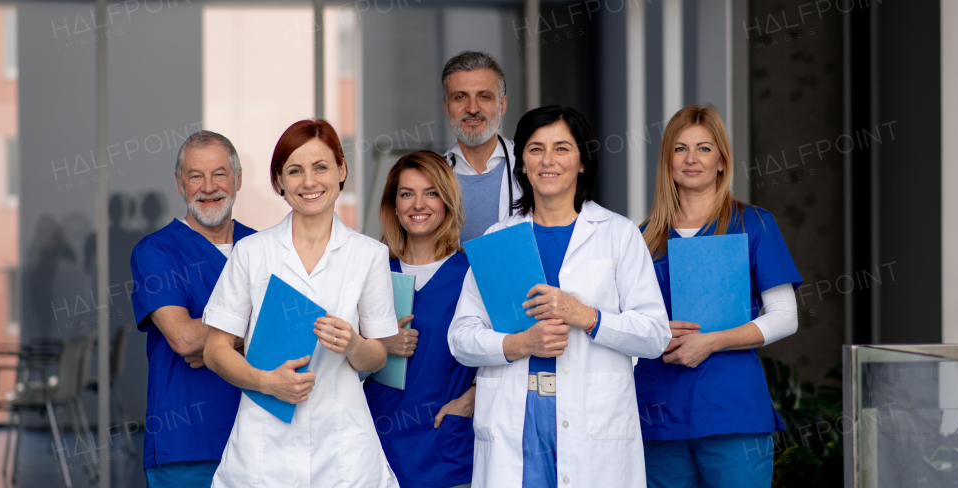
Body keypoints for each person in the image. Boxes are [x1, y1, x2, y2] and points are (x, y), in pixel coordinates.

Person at [449, 106, 670, 488]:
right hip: (516, 416)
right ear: (521, 165)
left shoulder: (618, 234)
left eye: (562, 148)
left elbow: (654, 335)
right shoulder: (498, 240)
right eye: (535, 149)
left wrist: (587, 316)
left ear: (582, 161)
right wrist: (520, 343)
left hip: (593, 417)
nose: (547, 160)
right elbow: (462, 337)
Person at [200, 119, 400, 487]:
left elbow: (378, 356)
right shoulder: (251, 253)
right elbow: (215, 350)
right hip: (264, 442)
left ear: (342, 170)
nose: (309, 182)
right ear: (279, 181)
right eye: (295, 170)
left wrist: (353, 343)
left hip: (343, 446)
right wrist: (265, 382)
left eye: (321, 167)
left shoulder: (369, 255)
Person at [634, 105, 803, 488]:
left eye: (704, 148)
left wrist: (711, 342)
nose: (691, 159)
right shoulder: (640, 238)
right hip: (659, 414)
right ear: (667, 161)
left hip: (732, 412)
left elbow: (784, 316)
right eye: (680, 149)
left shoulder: (754, 224)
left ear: (723, 161)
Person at [129, 130, 257, 487]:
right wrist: (253, 331)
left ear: (238, 179)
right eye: (195, 175)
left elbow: (295, 332)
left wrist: (217, 344)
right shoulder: (156, 252)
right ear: (179, 183)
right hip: (188, 444)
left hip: (260, 437)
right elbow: (184, 338)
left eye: (219, 173)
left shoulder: (263, 248)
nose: (208, 186)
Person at [363, 150, 476, 488]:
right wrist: (379, 345)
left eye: (431, 193)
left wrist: (474, 397)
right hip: (376, 443)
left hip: (445, 445)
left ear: (447, 202)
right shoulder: (372, 272)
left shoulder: (473, 273)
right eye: (407, 194)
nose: (418, 204)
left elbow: (512, 349)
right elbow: (337, 357)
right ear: (393, 206)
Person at [440, 51, 522, 242]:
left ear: (502, 105)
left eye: (484, 96)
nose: (473, 109)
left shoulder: (530, 168)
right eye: (460, 97)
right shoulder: (432, 176)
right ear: (445, 106)